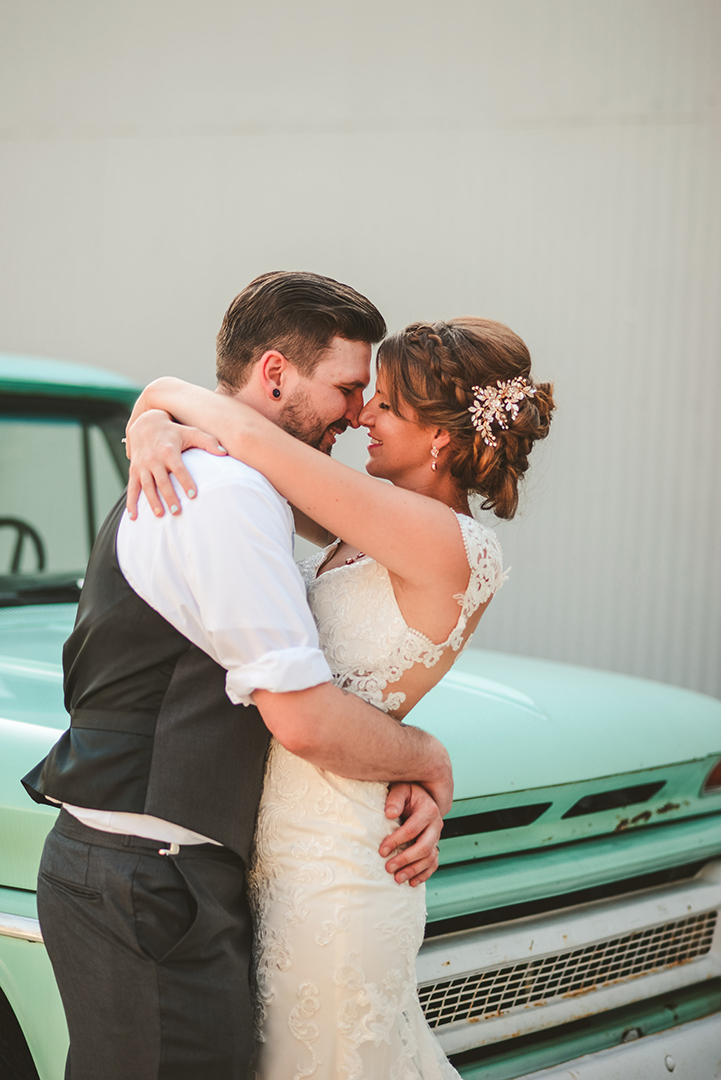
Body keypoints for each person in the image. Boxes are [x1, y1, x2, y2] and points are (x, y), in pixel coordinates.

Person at [21, 271, 456, 1080]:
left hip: (162, 877)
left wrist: (153, 412)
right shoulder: (223, 492)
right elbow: (300, 717)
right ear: (275, 373)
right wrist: (426, 759)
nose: (358, 414)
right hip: (147, 883)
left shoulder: (241, 478)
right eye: (348, 388)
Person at [124, 316, 555, 1078]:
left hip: (339, 867)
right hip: (279, 850)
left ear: (440, 440)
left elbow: (254, 441)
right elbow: (220, 429)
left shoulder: (447, 541)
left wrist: (157, 407)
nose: (360, 417)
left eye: (383, 404)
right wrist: (153, 425)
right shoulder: (362, 530)